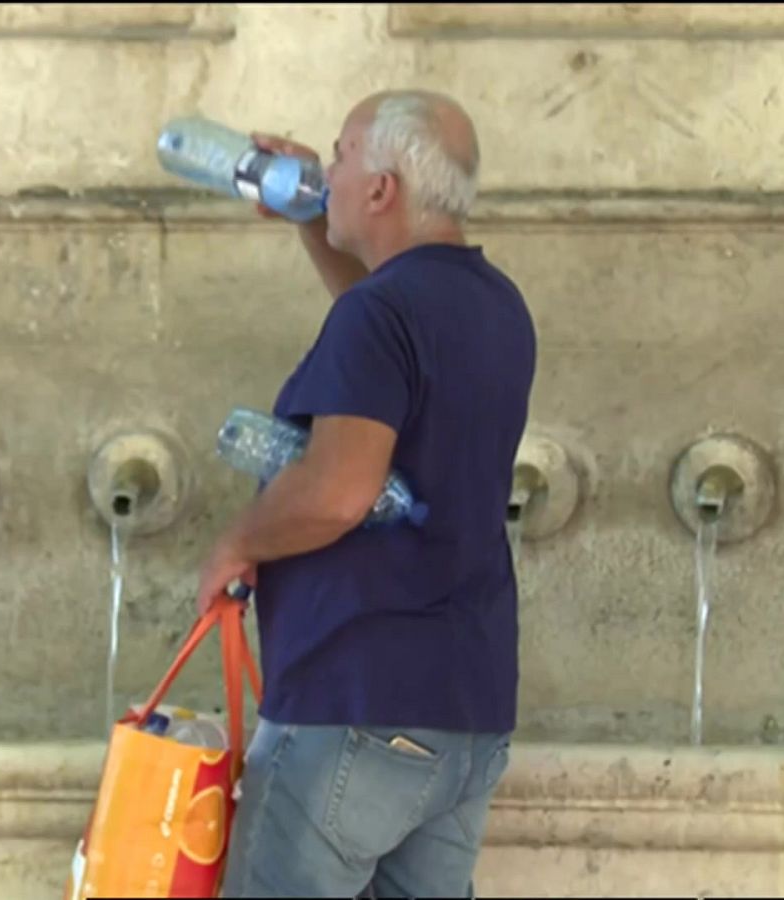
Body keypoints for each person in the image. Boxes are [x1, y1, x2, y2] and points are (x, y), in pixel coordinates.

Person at [193, 89, 538, 897]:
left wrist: (237, 542)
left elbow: (339, 491)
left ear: (383, 189)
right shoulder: (494, 304)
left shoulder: (382, 316)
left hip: (355, 700)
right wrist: (315, 220)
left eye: (342, 155)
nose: (327, 168)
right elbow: (381, 326)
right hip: (463, 714)